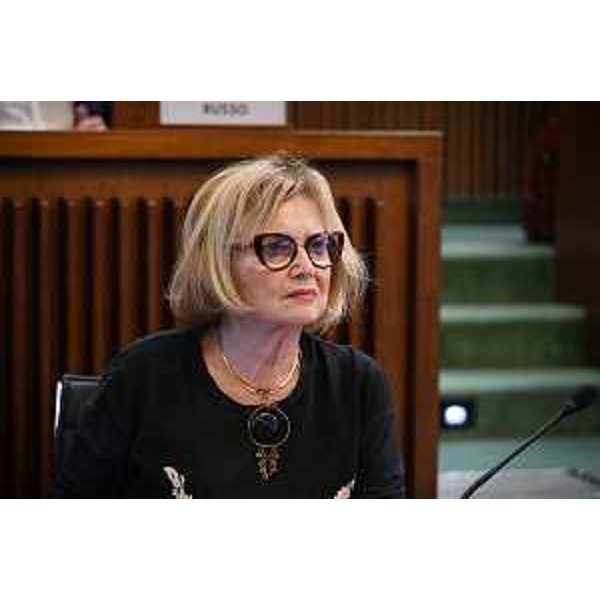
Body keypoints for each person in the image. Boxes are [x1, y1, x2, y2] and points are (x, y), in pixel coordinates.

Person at [49, 155, 405, 498]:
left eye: (319, 245)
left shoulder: (358, 384)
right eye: (277, 247)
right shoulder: (143, 376)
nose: (307, 267)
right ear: (218, 261)